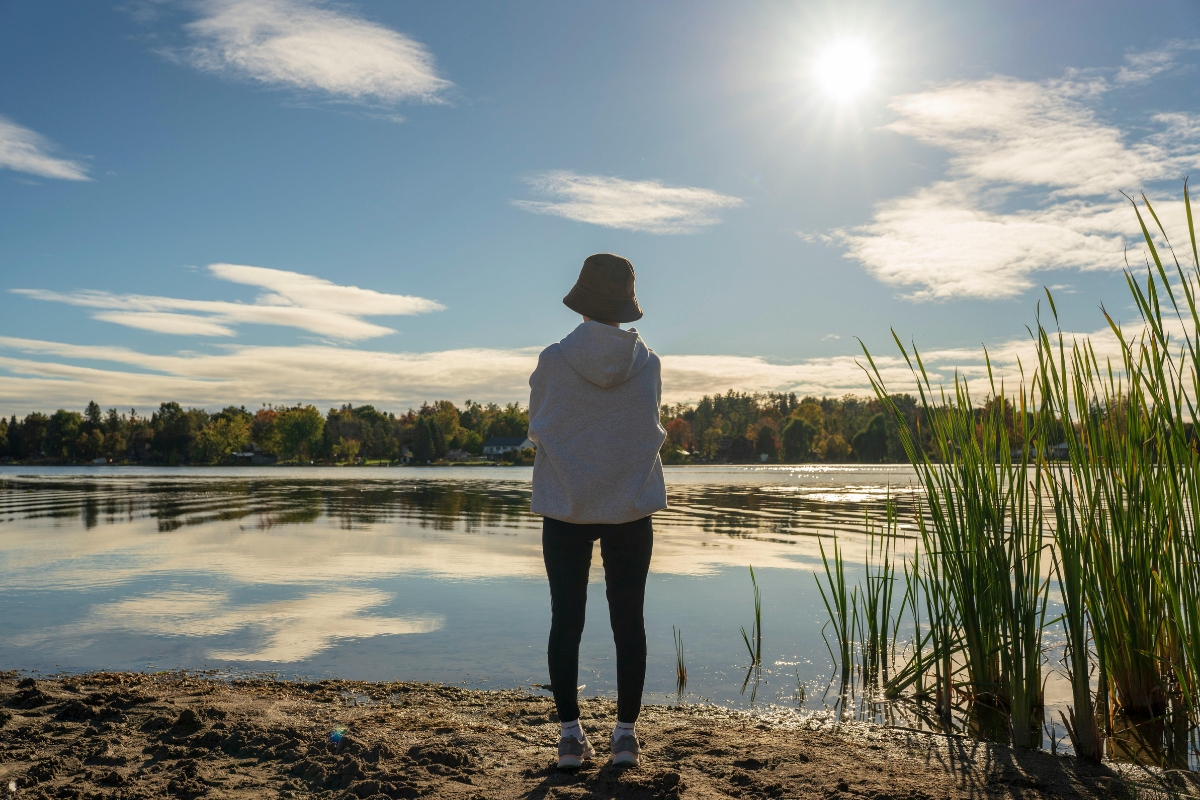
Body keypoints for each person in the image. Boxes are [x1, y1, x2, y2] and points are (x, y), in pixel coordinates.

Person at [527, 253, 668, 770]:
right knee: (629, 621)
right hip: (631, 506)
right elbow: (647, 431)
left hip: (566, 505)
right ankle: (626, 738)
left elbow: (539, 427)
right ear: (625, 307)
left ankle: (569, 738)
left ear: (582, 302)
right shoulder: (648, 363)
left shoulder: (553, 359)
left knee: (566, 620)